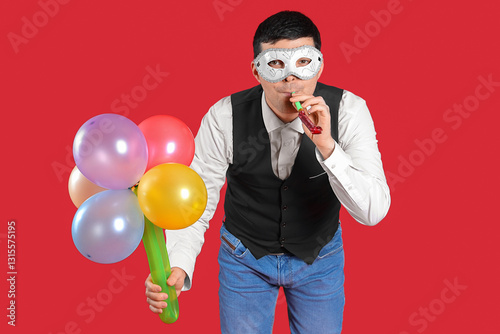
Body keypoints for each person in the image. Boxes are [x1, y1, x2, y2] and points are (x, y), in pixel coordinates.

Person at [145, 10, 390, 333]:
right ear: (256, 72)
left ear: (320, 64)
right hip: (244, 257)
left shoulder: (348, 110)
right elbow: (195, 200)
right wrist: (179, 265)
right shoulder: (224, 117)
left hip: (319, 257)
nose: (291, 78)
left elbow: (372, 211)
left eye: (303, 62)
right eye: (276, 64)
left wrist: (329, 147)